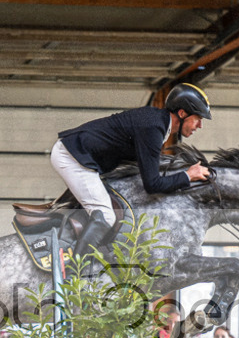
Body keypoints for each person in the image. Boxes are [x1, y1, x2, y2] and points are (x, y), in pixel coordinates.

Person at [51, 83, 213, 261]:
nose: (200, 126)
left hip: (83, 157)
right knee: (105, 215)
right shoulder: (154, 128)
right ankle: (73, 274)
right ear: (182, 114)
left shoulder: (158, 123)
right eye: (198, 118)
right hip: (73, 158)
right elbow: (152, 184)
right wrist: (188, 176)